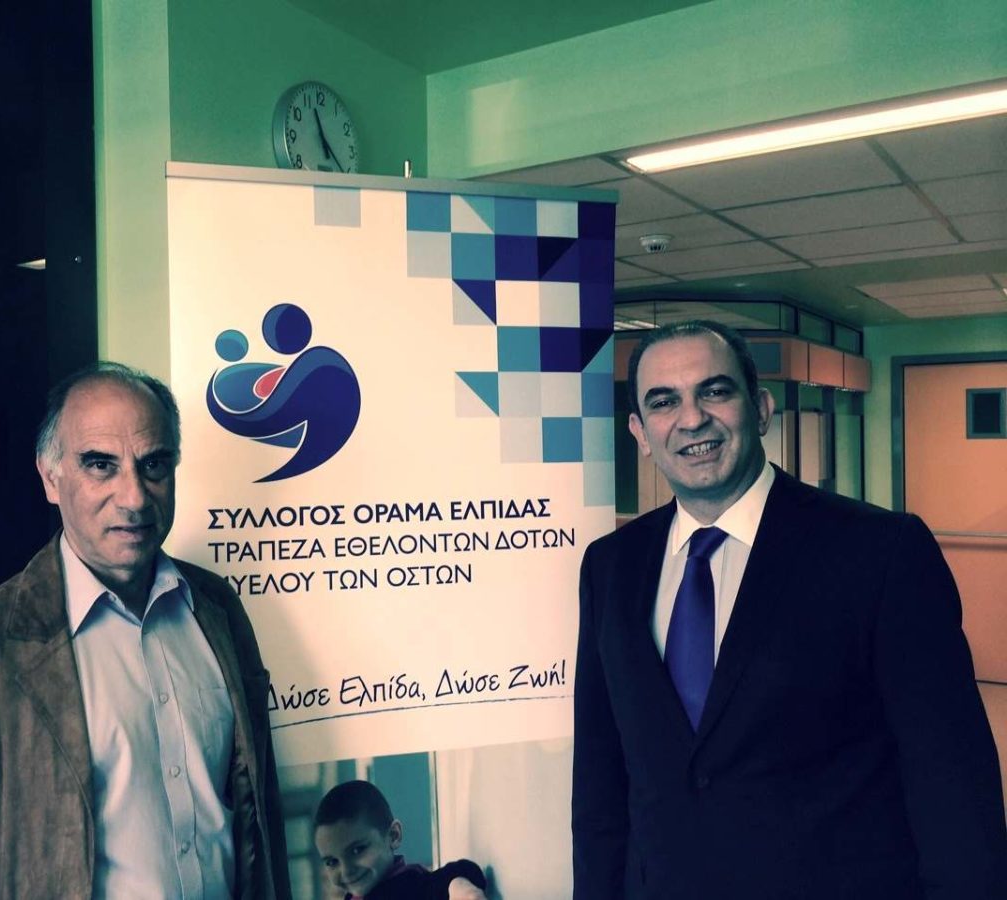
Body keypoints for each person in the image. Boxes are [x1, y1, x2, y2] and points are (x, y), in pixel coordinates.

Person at [572, 320, 1007, 899]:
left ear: (761, 410)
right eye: (664, 401)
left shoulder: (880, 552)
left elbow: (952, 783)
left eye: (714, 391)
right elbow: (600, 778)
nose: (692, 419)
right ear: (641, 432)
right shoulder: (610, 566)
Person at [0, 362, 291, 899]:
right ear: (50, 479)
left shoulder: (217, 610)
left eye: (153, 464)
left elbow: (259, 830)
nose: (134, 497)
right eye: (101, 465)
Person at [314, 780, 488, 900]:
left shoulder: (408, 885)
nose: (346, 871)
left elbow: (455, 874)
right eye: (332, 862)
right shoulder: (352, 897)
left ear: (393, 835)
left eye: (357, 850)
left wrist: (458, 886)